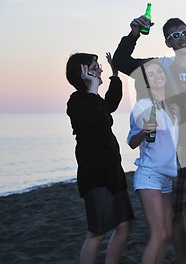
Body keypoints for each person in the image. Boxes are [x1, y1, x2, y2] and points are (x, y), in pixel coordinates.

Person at [112, 16, 186, 264]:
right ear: (167, 42)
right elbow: (121, 62)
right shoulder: (160, 68)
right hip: (175, 155)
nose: (181, 38)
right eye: (174, 36)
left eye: (184, 32)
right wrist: (133, 34)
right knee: (176, 214)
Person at [66, 52, 134, 264]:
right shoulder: (76, 101)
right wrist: (93, 86)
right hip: (94, 174)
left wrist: (114, 74)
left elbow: (111, 103)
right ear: (83, 72)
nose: (100, 70)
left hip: (113, 170)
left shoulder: (95, 101)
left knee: (124, 224)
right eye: (95, 67)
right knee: (97, 231)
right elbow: (94, 118)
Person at [127, 59, 179, 264]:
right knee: (158, 235)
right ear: (145, 82)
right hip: (149, 175)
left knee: (165, 234)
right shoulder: (143, 105)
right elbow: (132, 141)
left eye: (160, 71)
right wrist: (144, 131)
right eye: (151, 74)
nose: (158, 75)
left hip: (167, 178)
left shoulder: (170, 106)